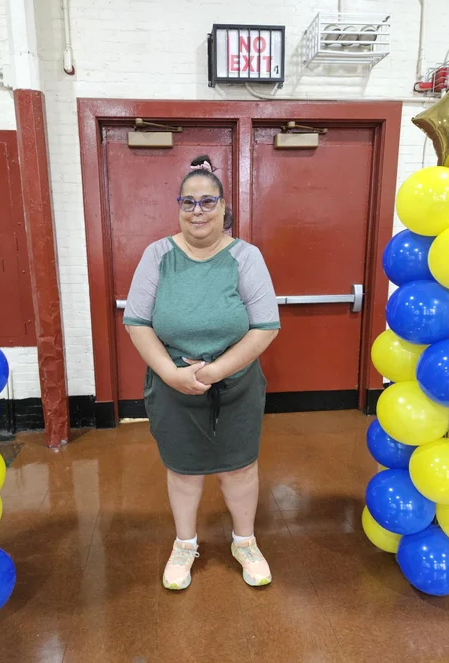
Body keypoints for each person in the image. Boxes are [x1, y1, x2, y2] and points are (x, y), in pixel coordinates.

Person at [123, 154, 280, 590]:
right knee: (183, 470)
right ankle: (184, 544)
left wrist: (215, 372)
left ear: (223, 207)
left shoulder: (245, 256)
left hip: (236, 386)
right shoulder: (157, 255)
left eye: (208, 202)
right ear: (178, 206)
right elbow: (137, 322)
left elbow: (266, 326)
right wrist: (171, 374)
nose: (198, 211)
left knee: (239, 469)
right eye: (188, 202)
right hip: (172, 386)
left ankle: (245, 542)